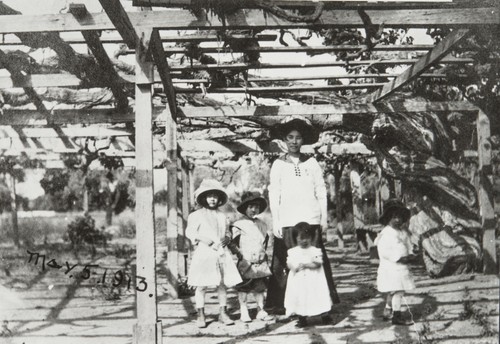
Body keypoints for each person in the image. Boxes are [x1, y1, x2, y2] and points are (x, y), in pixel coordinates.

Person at [266, 117, 339, 314]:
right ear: (284, 140)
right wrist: (276, 220)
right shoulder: (278, 164)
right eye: (290, 137)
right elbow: (274, 193)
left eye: (298, 137)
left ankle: (319, 305)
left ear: (303, 140)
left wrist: (323, 218)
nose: (294, 141)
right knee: (287, 262)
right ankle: (284, 305)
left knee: (313, 261)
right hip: (289, 221)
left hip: (311, 220)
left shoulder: (312, 163)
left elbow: (321, 191)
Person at [185, 179, 242, 328]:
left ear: (219, 199)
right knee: (201, 285)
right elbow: (190, 231)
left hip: (220, 253)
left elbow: (227, 231)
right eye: (209, 196)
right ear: (203, 198)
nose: (212, 199)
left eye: (215, 196)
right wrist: (201, 238)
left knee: (222, 283)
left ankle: (223, 313)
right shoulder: (196, 215)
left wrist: (227, 238)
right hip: (205, 252)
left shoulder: (222, 216)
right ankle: (200, 314)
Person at [229, 191, 274, 323]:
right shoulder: (239, 225)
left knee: (260, 287)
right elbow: (233, 243)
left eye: (256, 206)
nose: (253, 209)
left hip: (259, 261)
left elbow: (265, 242)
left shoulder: (262, 224)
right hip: (246, 260)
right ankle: (244, 310)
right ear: (244, 208)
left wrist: (262, 255)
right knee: (244, 287)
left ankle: (260, 309)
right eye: (250, 207)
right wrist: (240, 254)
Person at [374, 199, 416, 326]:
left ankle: (388, 310)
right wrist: (399, 258)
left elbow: (408, 244)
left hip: (401, 267)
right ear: (388, 218)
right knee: (397, 291)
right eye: (394, 217)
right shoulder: (386, 234)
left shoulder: (402, 232)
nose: (397, 220)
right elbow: (385, 251)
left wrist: (411, 253)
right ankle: (397, 316)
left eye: (399, 217)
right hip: (391, 267)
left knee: (394, 290)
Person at [284, 222, 332, 327]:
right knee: (300, 297)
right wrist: (293, 267)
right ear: (295, 239)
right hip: (299, 281)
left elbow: (318, 264)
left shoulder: (315, 251)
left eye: (307, 238)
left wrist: (307, 265)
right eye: (301, 238)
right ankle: (302, 318)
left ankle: (325, 315)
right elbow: (289, 263)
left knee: (317, 295)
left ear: (312, 237)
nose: (304, 241)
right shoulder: (293, 251)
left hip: (314, 280)